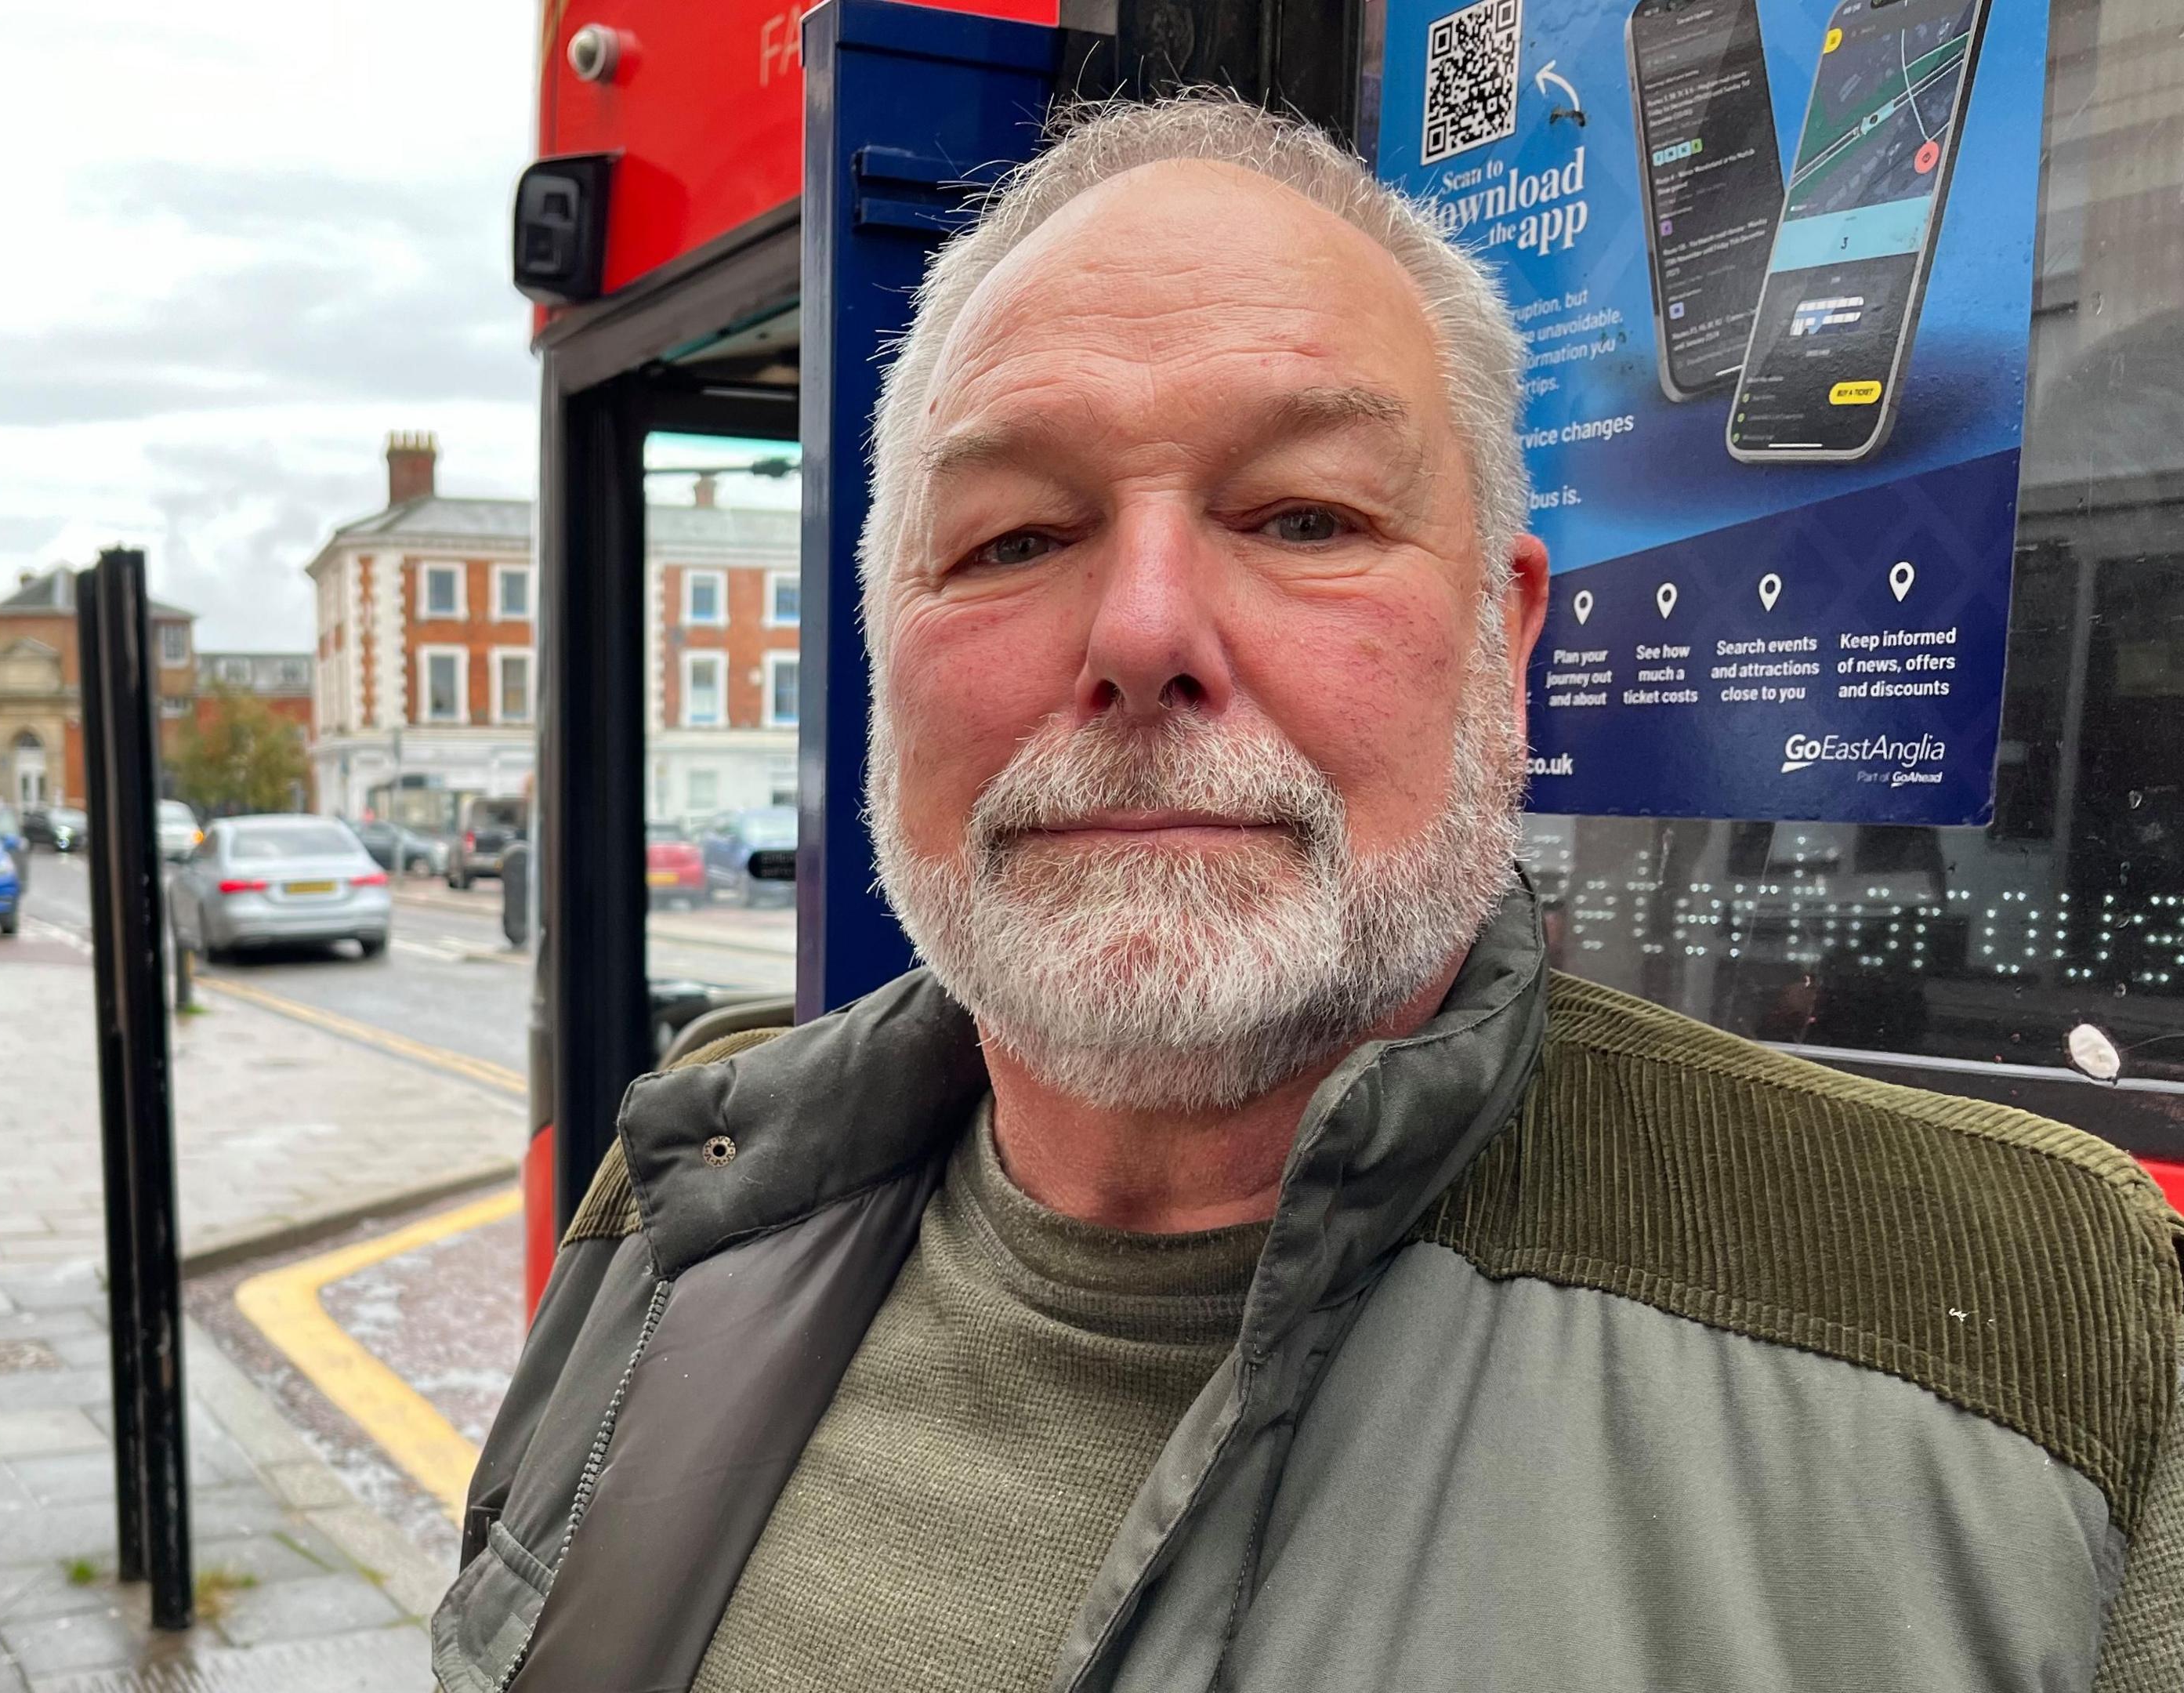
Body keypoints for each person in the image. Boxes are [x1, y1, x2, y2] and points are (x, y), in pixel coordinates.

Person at [436, 96, 2184, 1693]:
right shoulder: (685, 1201)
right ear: (887, 661)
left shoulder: (2055, 1343)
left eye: (1302, 518)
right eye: (1015, 542)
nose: (1140, 638)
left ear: (1506, 644)